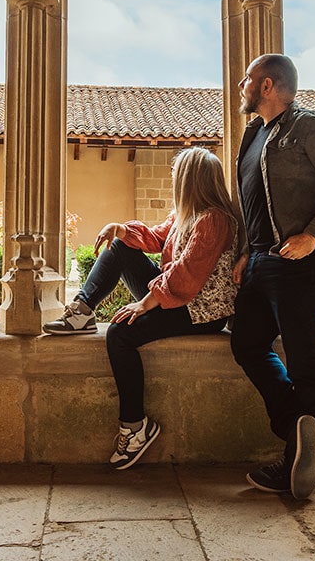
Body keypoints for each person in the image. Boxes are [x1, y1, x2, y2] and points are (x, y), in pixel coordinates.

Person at [43, 146, 243, 470]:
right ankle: (82, 310)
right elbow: (155, 239)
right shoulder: (185, 214)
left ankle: (135, 428)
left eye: (177, 174)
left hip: (201, 312)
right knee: (123, 244)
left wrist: (145, 302)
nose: (172, 179)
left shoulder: (215, 220)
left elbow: (188, 275)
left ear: (191, 179)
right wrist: (119, 229)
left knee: (120, 334)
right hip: (178, 297)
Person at [230, 53, 315, 500]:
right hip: (263, 262)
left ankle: (301, 465)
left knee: (305, 358)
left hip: (303, 261)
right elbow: (250, 203)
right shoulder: (253, 135)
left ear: (267, 86)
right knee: (246, 342)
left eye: (247, 79)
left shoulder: (311, 127)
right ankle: (295, 427)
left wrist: (314, 236)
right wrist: (247, 251)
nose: (240, 85)